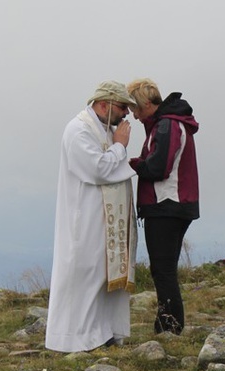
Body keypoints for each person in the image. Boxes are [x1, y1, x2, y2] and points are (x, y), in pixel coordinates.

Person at [46, 81, 138, 353]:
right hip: (83, 218)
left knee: (101, 274)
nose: (126, 114)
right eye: (122, 107)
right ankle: (74, 337)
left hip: (102, 221)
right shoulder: (78, 130)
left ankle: (102, 331)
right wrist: (120, 146)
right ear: (103, 104)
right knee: (84, 274)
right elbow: (98, 169)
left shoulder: (104, 129)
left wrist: (118, 146)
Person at [127, 78, 199, 335]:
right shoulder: (167, 124)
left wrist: (132, 164)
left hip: (167, 204)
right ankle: (166, 322)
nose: (134, 116)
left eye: (135, 109)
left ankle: (170, 326)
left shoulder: (167, 125)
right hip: (173, 205)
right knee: (164, 268)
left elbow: (158, 168)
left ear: (147, 103)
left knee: (163, 269)